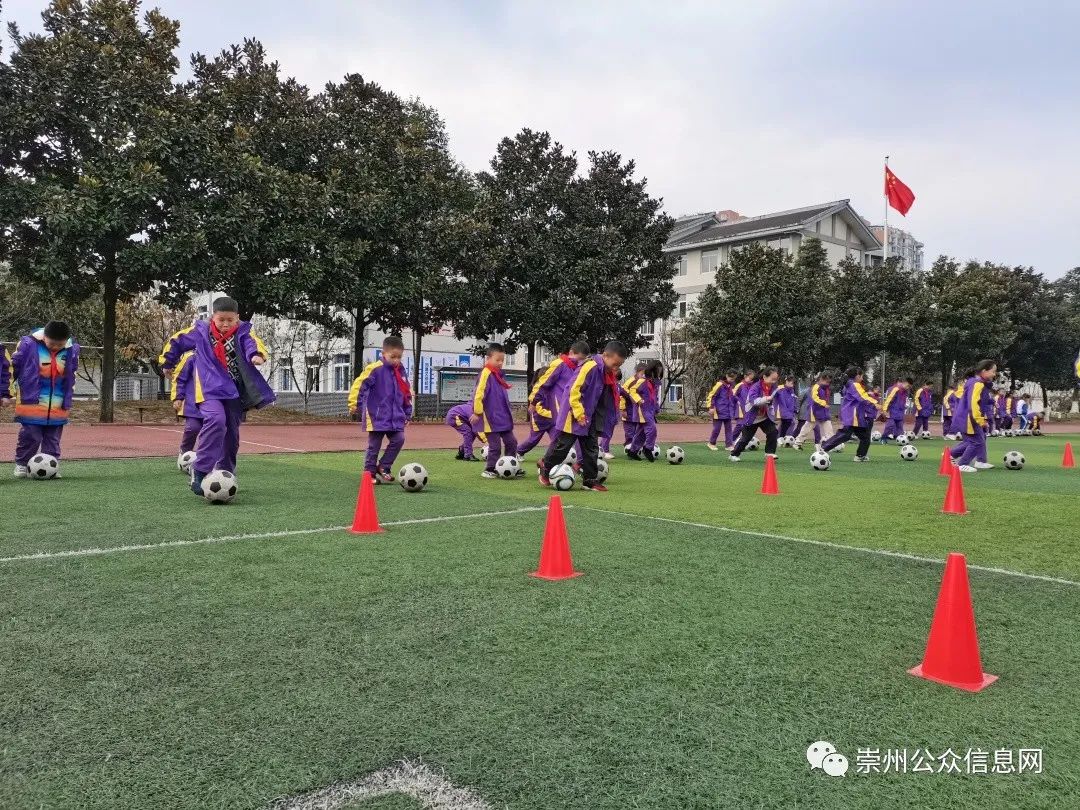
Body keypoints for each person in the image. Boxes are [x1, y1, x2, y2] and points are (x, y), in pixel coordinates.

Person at [160, 297, 274, 494]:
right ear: (213, 316)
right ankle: (201, 468)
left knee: (231, 433)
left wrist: (256, 355)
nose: (225, 324)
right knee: (215, 419)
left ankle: (225, 471)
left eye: (230, 320)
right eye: (221, 319)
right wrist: (167, 363)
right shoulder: (200, 332)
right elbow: (176, 341)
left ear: (237, 318)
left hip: (233, 391)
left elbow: (253, 344)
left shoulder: (243, 332)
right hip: (208, 388)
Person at [539, 340, 628, 492]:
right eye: (615, 364)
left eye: (619, 366)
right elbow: (573, 390)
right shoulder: (590, 366)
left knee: (591, 448)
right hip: (573, 415)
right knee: (563, 447)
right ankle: (546, 468)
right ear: (605, 355)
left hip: (589, 418)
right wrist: (579, 414)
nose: (616, 369)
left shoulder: (604, 372)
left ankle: (589, 480)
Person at [10, 321, 80, 478]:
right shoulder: (28, 344)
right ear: (44, 337)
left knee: (53, 438)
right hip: (32, 400)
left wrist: (69, 394)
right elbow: (15, 366)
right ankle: (22, 464)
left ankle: (51, 465)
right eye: (52, 343)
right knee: (30, 435)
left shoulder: (71, 350)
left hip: (58, 402)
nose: (55, 347)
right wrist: (7, 391)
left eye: (59, 344)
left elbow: (72, 372)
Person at [519, 341, 589, 457]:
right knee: (559, 438)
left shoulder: (580, 368)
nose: (579, 362)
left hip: (572, 408)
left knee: (573, 435)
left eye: (582, 360)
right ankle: (545, 463)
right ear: (571, 353)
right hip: (558, 410)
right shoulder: (559, 364)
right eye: (578, 358)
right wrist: (534, 401)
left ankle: (578, 463)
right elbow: (543, 383)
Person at [471, 342, 521, 479]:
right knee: (495, 447)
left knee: (512, 442)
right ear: (488, 359)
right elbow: (478, 393)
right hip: (490, 418)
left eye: (502, 360)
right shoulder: (486, 373)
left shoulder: (498, 375)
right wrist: (477, 412)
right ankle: (490, 468)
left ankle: (511, 466)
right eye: (497, 360)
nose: (500, 363)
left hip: (503, 417)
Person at [819, 367, 882, 461]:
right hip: (853, 414)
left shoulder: (849, 385)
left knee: (864, 437)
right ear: (857, 376)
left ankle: (860, 456)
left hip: (853, 415)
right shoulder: (855, 384)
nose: (862, 378)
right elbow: (862, 396)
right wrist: (875, 403)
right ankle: (824, 448)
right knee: (846, 434)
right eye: (861, 376)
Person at [950, 360, 997, 472]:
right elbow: (973, 404)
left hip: (968, 416)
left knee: (976, 440)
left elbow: (980, 399)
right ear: (984, 371)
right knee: (977, 442)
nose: (994, 374)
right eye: (993, 371)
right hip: (970, 418)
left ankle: (979, 460)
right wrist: (980, 420)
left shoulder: (975, 382)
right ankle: (962, 464)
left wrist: (992, 401)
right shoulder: (977, 384)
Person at [728, 367, 780, 461]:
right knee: (745, 439)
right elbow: (753, 401)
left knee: (773, 432)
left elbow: (772, 401)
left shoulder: (773, 387)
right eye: (772, 379)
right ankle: (733, 454)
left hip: (765, 416)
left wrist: (772, 410)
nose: (774, 381)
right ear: (764, 377)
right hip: (752, 418)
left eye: (775, 379)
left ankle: (769, 453)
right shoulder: (755, 387)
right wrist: (766, 399)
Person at [626, 359, 662, 461]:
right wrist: (638, 400)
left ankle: (633, 451)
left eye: (660, 371)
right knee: (652, 429)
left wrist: (656, 408)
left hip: (650, 410)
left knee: (641, 432)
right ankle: (648, 448)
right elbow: (632, 390)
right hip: (643, 410)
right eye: (657, 371)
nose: (659, 373)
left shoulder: (655, 383)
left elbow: (655, 398)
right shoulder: (642, 381)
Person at [170, 350, 202, 458]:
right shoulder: (191, 357)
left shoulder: (218, 354)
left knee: (211, 432)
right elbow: (179, 378)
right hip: (193, 403)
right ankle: (184, 452)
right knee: (193, 428)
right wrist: (178, 397)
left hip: (214, 402)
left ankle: (205, 458)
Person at [793, 372, 833, 450]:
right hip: (814, 411)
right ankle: (797, 443)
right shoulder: (815, 387)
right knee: (807, 428)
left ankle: (831, 445)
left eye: (829, 381)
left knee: (829, 429)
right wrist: (824, 403)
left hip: (824, 412)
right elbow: (815, 398)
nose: (827, 383)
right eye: (826, 381)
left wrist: (825, 405)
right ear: (821, 379)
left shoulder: (826, 388)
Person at [706, 370, 737, 451]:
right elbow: (712, 396)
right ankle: (711, 443)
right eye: (731, 378)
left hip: (728, 411)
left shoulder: (732, 386)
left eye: (734, 379)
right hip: (718, 411)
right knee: (717, 428)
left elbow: (733, 397)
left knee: (729, 429)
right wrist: (711, 407)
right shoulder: (719, 384)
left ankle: (729, 445)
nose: (732, 380)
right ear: (726, 376)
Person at [880, 377, 912, 441]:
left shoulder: (906, 392)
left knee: (900, 427)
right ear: (904, 383)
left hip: (900, 412)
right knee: (890, 425)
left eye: (909, 387)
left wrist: (904, 408)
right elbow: (888, 400)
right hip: (892, 411)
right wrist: (885, 410)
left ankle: (899, 439)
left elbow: (904, 401)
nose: (908, 388)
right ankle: (883, 438)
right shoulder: (895, 389)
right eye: (908, 386)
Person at [772, 375, 798, 440]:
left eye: (793, 383)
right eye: (791, 383)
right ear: (787, 381)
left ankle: (778, 438)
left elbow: (793, 400)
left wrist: (795, 409)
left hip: (790, 412)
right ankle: (779, 438)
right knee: (786, 424)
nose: (792, 385)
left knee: (785, 425)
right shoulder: (779, 388)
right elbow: (772, 395)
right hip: (782, 411)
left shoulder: (792, 390)